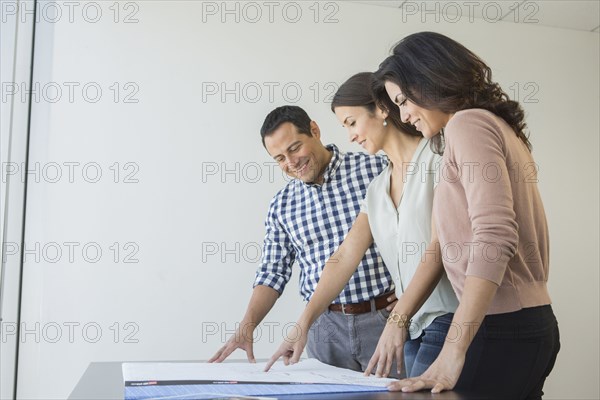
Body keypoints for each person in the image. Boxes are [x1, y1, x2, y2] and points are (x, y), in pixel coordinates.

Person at [373, 32, 560, 398]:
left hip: (499, 329)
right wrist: (400, 319)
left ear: (430, 79)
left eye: (404, 101)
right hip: (527, 324)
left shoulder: (468, 124)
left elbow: (495, 236)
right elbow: (441, 244)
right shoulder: (494, 128)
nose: (405, 115)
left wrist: (453, 349)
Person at [265, 73, 458, 379]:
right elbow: (344, 257)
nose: (350, 136)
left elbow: (439, 247)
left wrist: (396, 319)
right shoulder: (378, 188)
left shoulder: (438, 158)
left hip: (448, 322)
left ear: (382, 109)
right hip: (414, 329)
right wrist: (302, 325)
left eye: (352, 123)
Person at [209, 105, 398, 372]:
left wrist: (410, 297)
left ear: (314, 131)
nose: (291, 163)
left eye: (295, 148)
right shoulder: (281, 205)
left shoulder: (377, 168)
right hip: (323, 329)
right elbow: (272, 272)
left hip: (383, 319)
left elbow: (417, 234)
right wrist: (246, 327)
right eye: (279, 158)